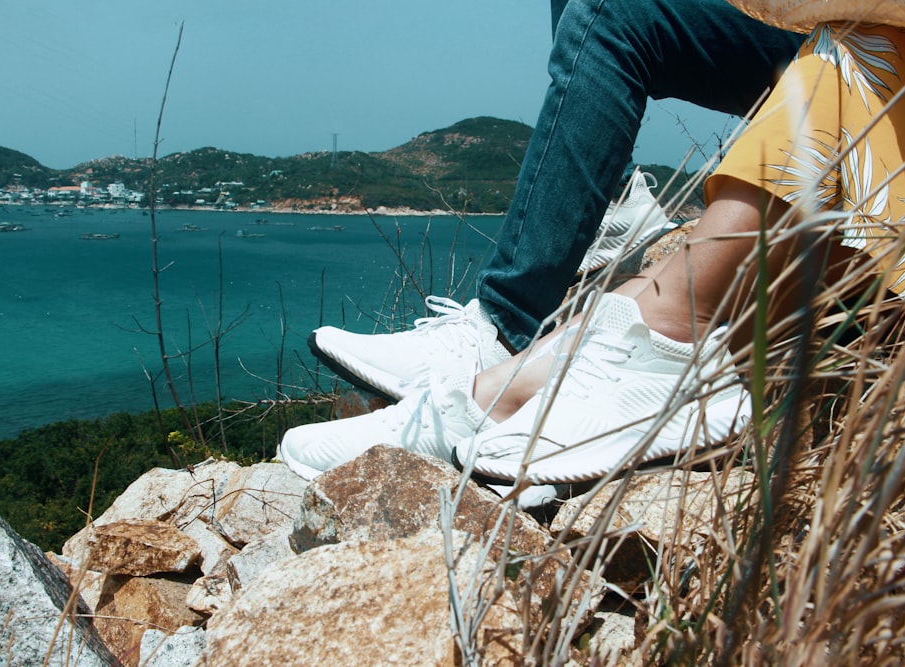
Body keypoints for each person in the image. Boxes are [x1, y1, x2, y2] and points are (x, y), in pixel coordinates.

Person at [307, 0, 805, 404]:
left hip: (856, 45)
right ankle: (605, 209)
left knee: (611, 11)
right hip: (819, 29)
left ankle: (502, 326)